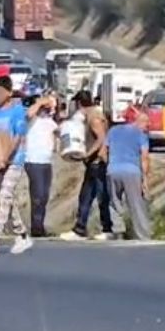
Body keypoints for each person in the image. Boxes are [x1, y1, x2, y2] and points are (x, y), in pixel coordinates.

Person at [0, 76, 41, 255]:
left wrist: (5, 157)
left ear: (9, 93)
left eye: (0, 92)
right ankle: (22, 235)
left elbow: (17, 137)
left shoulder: (17, 111)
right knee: (6, 199)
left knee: (5, 194)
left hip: (14, 161)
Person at [61, 90, 115, 241]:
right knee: (90, 196)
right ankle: (85, 228)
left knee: (97, 196)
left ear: (79, 103)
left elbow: (101, 138)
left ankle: (101, 229)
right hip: (94, 163)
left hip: (97, 163)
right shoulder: (92, 115)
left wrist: (87, 154)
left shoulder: (94, 118)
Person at [102, 110, 152, 240]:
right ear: (136, 121)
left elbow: (103, 152)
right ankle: (142, 235)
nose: (148, 125)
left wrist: (109, 164)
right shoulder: (141, 135)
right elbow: (144, 158)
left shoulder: (113, 131)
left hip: (113, 170)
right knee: (136, 204)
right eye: (145, 122)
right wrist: (145, 180)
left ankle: (118, 231)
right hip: (132, 171)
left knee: (114, 202)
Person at [24, 92, 60, 238]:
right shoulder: (32, 119)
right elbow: (28, 114)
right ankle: (36, 227)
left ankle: (39, 225)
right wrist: (40, 102)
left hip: (46, 161)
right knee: (37, 194)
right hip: (34, 161)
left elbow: (59, 131)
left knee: (44, 195)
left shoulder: (49, 121)